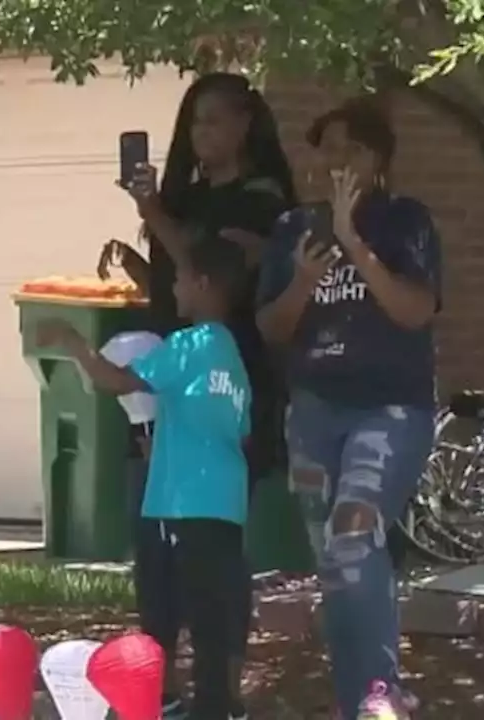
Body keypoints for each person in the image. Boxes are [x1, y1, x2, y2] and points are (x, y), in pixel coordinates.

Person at [99, 71, 297, 720]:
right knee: (158, 543)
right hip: (173, 374)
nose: (201, 133)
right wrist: (141, 257)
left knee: (212, 547)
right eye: (194, 122)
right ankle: (160, 684)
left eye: (214, 120)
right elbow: (179, 275)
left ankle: (219, 689)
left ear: (246, 124)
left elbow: (214, 273)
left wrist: (153, 211)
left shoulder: (260, 196)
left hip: (224, 376)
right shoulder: (188, 196)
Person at [256, 96, 442, 720]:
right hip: (313, 413)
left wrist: (353, 243)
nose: (336, 161)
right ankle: (357, 701)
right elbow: (272, 328)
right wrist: (305, 279)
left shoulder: (405, 222)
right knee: (336, 563)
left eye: (351, 149)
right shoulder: (291, 229)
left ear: (378, 159)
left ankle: (381, 691)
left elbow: (415, 311)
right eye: (327, 149)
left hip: (388, 412)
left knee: (355, 537)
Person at [38, 240, 253, 720]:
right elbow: (236, 430)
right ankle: (218, 706)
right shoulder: (231, 356)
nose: (172, 288)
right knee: (211, 614)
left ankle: (173, 702)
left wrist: (74, 343)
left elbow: (115, 380)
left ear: (201, 284)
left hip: (180, 502)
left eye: (178, 278)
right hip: (225, 502)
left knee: (166, 607)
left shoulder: (188, 345)